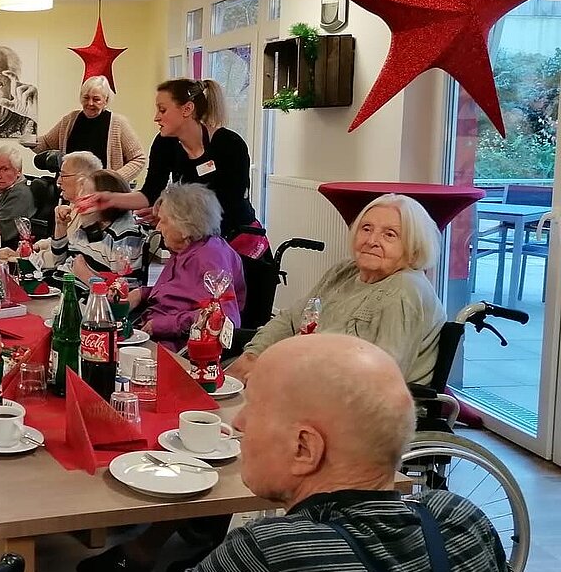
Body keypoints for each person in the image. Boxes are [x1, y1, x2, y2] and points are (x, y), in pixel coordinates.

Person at [102, 334, 527, 572]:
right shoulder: (458, 516)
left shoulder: (277, 555)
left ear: (305, 448)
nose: (239, 424)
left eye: (254, 406)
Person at [231, 193, 446, 386]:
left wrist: (286, 374)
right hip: (311, 383)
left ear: (414, 245)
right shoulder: (345, 271)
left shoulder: (405, 289)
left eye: (389, 235)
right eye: (366, 228)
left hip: (359, 410)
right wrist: (254, 354)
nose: (372, 241)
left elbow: (382, 377)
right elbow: (290, 319)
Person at [82, 79, 263, 254]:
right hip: (197, 244)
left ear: (187, 109)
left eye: (162, 110)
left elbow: (225, 204)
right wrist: (110, 199)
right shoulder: (165, 143)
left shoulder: (230, 145)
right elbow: (149, 194)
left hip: (239, 242)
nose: (156, 117)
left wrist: (172, 214)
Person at [129, 184, 245, 351]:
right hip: (152, 329)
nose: (158, 228)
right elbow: (178, 292)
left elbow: (224, 318)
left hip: (179, 348)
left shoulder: (210, 258)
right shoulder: (185, 249)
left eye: (163, 221)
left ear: (183, 227)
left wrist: (165, 324)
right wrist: (142, 293)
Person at [34, 76, 146, 182]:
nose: (90, 103)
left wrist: (113, 179)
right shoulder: (70, 120)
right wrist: (24, 137)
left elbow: (138, 158)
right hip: (69, 191)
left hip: (102, 193)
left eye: (96, 99)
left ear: (106, 100)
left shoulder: (118, 124)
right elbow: (46, 144)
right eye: (86, 98)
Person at [45, 170, 145, 283]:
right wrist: (61, 226)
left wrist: (85, 275)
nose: (79, 199)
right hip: (58, 285)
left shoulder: (124, 236)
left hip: (81, 297)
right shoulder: (90, 225)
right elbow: (59, 262)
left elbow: (122, 294)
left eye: (86, 194)